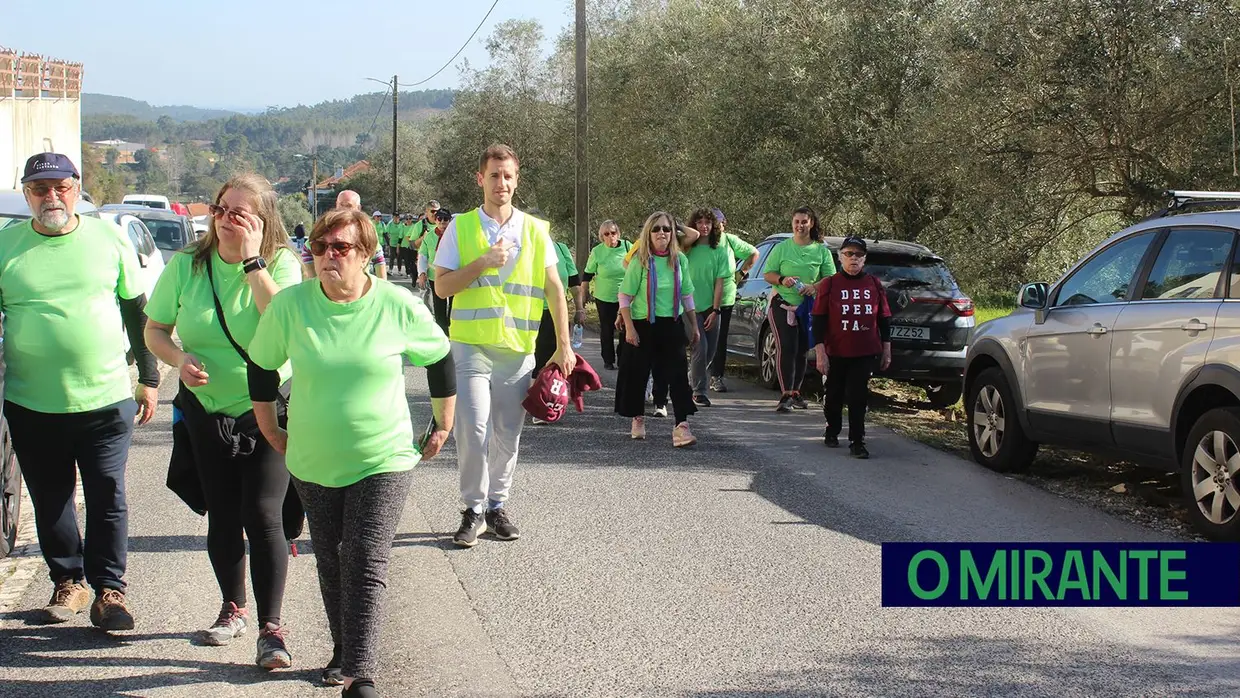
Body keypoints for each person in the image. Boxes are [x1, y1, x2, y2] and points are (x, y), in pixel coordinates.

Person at [248, 207, 456, 697]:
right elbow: (260, 367)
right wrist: (270, 427)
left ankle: (359, 674)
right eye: (318, 248)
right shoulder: (290, 307)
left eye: (340, 248)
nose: (327, 257)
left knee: (364, 558)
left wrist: (443, 421)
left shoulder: (396, 304)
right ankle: (344, 650)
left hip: (382, 457)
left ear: (365, 254)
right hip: (313, 458)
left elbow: (439, 356)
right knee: (330, 560)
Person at [144, 173, 302, 667]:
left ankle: (271, 630)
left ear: (263, 220)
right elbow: (154, 328)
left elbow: (285, 324)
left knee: (262, 513)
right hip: (205, 411)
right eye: (221, 209)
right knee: (222, 513)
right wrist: (176, 359)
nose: (226, 219)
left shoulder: (282, 264)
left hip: (266, 410)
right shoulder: (189, 265)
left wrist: (253, 260)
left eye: (240, 212)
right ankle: (232, 608)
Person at [0, 153, 159, 630]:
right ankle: (68, 581)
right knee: (50, 498)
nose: (51, 196)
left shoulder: (108, 239)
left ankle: (110, 590)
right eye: (39, 188)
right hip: (31, 401)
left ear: (77, 188)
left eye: (60, 186)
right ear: (27, 193)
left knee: (108, 494)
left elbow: (137, 313)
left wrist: (149, 379)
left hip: (106, 397)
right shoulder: (6, 247)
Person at [433, 144, 575, 548]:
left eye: (508, 176)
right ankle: (473, 509)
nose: (502, 183)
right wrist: (482, 262)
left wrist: (564, 345)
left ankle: (497, 506)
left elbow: (554, 290)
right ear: (481, 179)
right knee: (472, 430)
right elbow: (442, 286)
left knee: (507, 432)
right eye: (494, 175)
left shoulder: (534, 229)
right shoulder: (460, 228)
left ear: (517, 179)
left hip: (516, 347)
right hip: (470, 346)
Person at [616, 212, 700, 447]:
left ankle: (681, 427)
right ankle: (638, 418)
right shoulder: (640, 260)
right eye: (656, 229)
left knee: (678, 375)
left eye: (666, 229)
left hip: (671, 323)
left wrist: (694, 326)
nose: (661, 233)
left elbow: (687, 294)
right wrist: (630, 328)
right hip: (643, 323)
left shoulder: (680, 260)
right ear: (648, 234)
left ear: (673, 233)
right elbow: (624, 296)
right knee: (638, 374)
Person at [812, 236, 891, 459]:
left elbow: (884, 318)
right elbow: (818, 320)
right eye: (849, 254)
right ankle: (832, 429)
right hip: (836, 351)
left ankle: (858, 441)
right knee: (834, 396)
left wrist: (886, 348)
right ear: (840, 257)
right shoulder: (830, 284)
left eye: (858, 254)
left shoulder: (874, 284)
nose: (853, 258)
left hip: (864, 351)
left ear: (864, 259)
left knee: (858, 397)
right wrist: (820, 352)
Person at [762, 206, 836, 413]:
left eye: (804, 222)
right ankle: (785, 395)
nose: (800, 226)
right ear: (792, 223)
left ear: (811, 223)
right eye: (796, 222)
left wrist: (814, 287)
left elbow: (830, 278)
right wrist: (782, 279)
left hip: (807, 306)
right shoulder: (782, 248)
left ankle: (796, 391)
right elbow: (768, 273)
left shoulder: (821, 250)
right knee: (787, 346)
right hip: (782, 303)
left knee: (802, 350)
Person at [684, 209, 732, 407]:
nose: (704, 226)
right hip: (687, 307)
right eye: (699, 222)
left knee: (710, 352)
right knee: (700, 347)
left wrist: (715, 310)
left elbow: (720, 282)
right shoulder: (686, 247)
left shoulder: (719, 250)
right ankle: (699, 392)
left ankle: (691, 376)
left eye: (708, 223)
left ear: (714, 226)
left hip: (710, 308)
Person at [708, 209, 759, 393]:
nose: (715, 226)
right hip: (701, 296)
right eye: (711, 222)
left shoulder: (729, 240)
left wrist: (741, 273)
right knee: (698, 336)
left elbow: (754, 253)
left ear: (724, 223)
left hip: (725, 297)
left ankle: (716, 376)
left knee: (719, 338)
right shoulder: (701, 240)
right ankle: (696, 372)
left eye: (718, 222)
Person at [582, 220, 630, 371]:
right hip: (604, 298)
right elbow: (587, 275)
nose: (611, 236)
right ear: (602, 236)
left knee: (626, 327)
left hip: (626, 296)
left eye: (613, 233)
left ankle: (623, 357)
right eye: (606, 234)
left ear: (618, 234)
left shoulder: (628, 247)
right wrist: (582, 299)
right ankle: (608, 359)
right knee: (607, 328)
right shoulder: (597, 251)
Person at [307, 191, 386, 280]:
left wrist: (383, 286)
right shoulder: (325, 226)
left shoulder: (365, 229)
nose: (343, 209)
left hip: (358, 287)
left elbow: (378, 258)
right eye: (341, 205)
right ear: (336, 205)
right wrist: (313, 281)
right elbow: (307, 250)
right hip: (327, 287)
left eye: (348, 206)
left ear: (358, 208)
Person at [417, 208, 453, 331]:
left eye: (446, 219)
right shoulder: (429, 236)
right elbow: (422, 256)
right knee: (439, 304)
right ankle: (442, 331)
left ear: (450, 220)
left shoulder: (455, 235)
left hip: (453, 275)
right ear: (435, 220)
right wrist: (422, 273)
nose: (443, 222)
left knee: (454, 304)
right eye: (439, 219)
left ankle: (452, 328)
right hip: (435, 276)